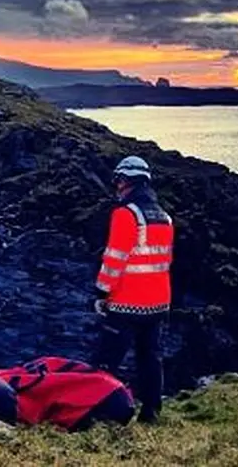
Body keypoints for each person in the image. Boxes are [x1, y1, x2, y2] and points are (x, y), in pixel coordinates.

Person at [91, 155, 174, 424]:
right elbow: (163, 261)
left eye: (118, 180)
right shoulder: (164, 217)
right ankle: (151, 414)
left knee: (107, 362)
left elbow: (114, 259)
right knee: (150, 360)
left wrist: (102, 293)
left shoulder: (126, 215)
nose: (116, 186)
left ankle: (103, 416)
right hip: (159, 304)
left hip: (126, 303)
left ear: (127, 181)